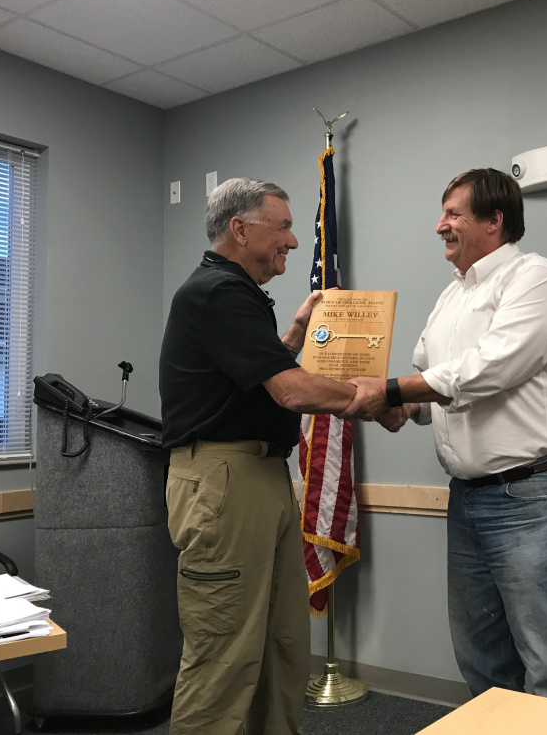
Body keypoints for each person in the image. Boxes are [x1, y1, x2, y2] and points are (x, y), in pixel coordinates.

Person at [349, 168, 547, 707]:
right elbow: (428, 386)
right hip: (468, 497)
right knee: (481, 656)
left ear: (495, 220)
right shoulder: (450, 298)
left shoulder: (534, 277)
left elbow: (492, 367)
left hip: (532, 495)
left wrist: (392, 390)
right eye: (442, 214)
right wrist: (390, 406)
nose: (440, 225)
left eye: (453, 214)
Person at [159, 177, 380, 735]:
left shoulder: (236, 295)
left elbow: (251, 381)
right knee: (225, 653)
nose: (293, 241)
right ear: (239, 228)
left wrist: (296, 333)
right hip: (224, 480)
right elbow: (290, 391)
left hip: (258, 477)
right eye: (281, 226)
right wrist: (376, 395)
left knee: (282, 644)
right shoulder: (218, 292)